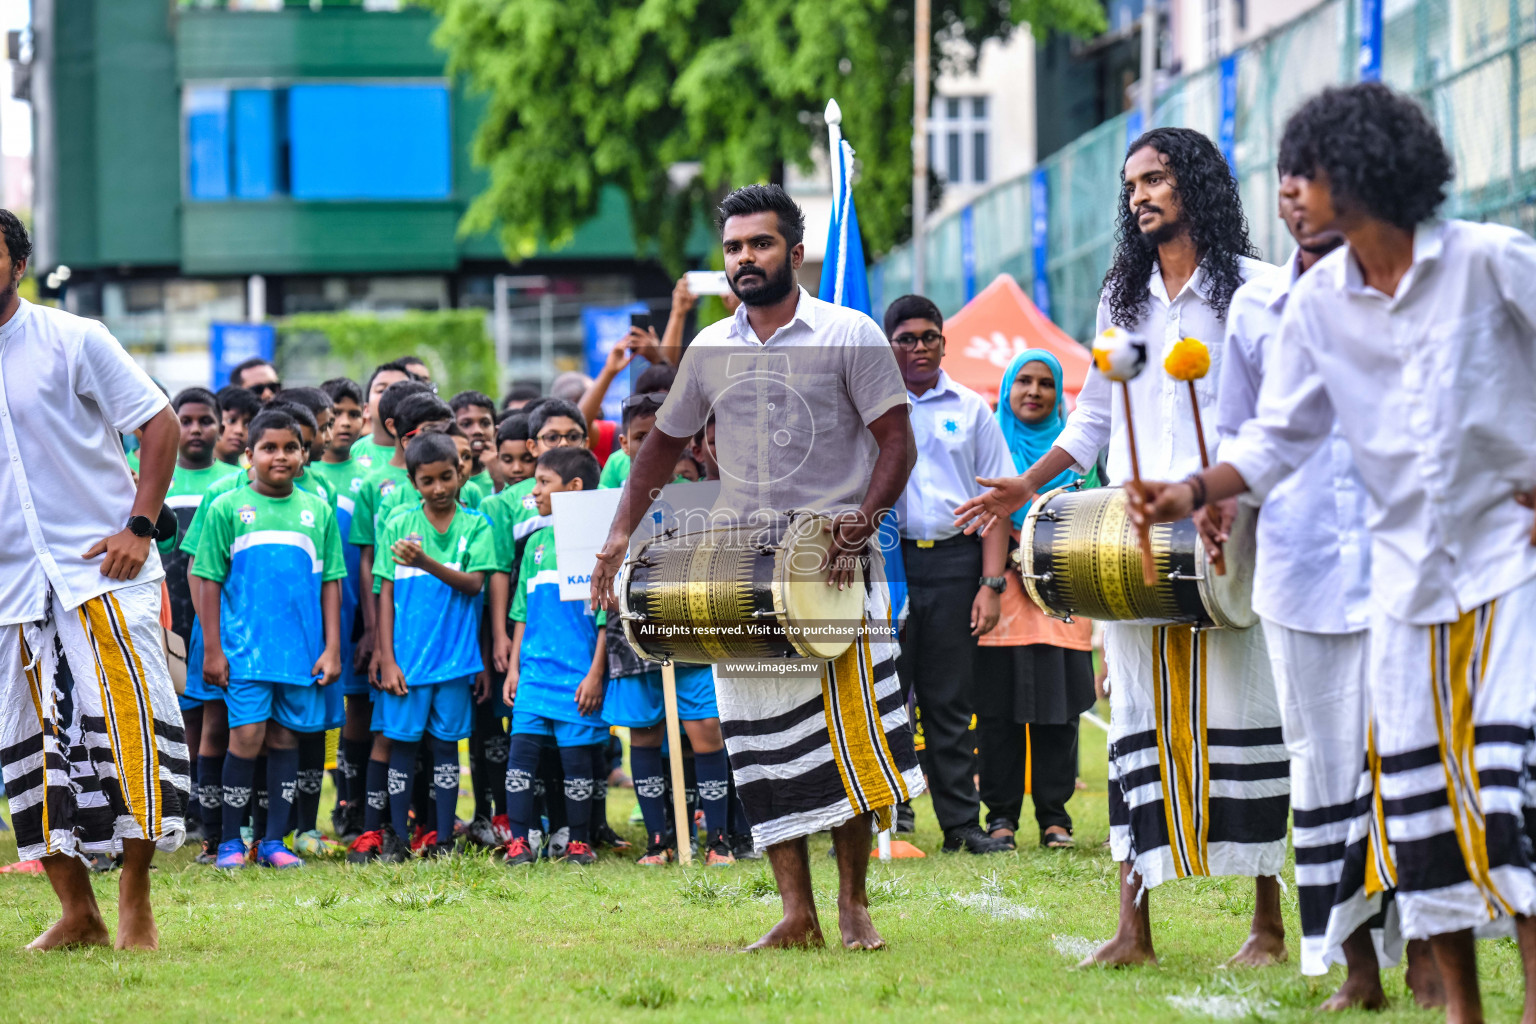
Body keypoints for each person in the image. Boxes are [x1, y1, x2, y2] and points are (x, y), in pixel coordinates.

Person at [1129, 83, 1536, 1024]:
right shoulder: (1311, 307)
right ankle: (1459, 1011)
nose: (1287, 196)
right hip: (1404, 583)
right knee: (1421, 797)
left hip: (1508, 567)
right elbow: (1277, 438)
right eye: (1284, 180)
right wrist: (1194, 491)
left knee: (1508, 781)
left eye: (1304, 176)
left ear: (1366, 170)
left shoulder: (1489, 261)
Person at [956, 127, 1289, 967]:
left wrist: (1231, 495)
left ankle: (1266, 924)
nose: (1139, 195)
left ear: (1199, 185)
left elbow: (1279, 422)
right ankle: (1133, 927)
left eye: (1156, 180)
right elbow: (1096, 419)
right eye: (1131, 183)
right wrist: (1025, 487)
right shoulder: (1122, 298)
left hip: (1228, 534)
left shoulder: (1258, 292)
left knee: (1249, 717)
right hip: (1134, 543)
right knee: (1137, 720)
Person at [592, 184, 923, 951]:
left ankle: (852, 908)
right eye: (735, 247)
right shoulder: (708, 348)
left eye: (761, 244)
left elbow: (898, 443)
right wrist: (618, 534)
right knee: (760, 746)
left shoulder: (851, 333)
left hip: (837, 567)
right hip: (739, 573)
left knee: (849, 741)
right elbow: (661, 448)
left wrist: (859, 526)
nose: (746, 258)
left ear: (793, 252)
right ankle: (795, 913)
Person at [0, 209, 189, 950]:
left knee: (131, 727)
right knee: (27, 745)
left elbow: (159, 422)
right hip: (11, 587)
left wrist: (140, 528)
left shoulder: (73, 337)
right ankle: (78, 912)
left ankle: (135, 893)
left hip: (103, 570)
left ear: (17, 261)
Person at [881, 294, 1012, 854]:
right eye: (905, 338)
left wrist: (990, 584)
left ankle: (960, 826)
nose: (918, 347)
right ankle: (886, 822)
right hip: (889, 565)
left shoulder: (972, 407)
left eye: (928, 336)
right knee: (886, 699)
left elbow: (998, 500)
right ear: (889, 346)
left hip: (958, 566)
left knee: (949, 704)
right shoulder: (872, 407)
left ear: (943, 341)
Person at [194, 407, 345, 869]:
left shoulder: (318, 510)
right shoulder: (226, 508)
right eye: (269, 448)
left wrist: (332, 647)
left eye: (290, 448)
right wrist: (215, 650)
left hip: (299, 655)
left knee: (284, 741)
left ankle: (273, 841)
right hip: (244, 654)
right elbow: (207, 578)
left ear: (304, 455)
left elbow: (331, 582)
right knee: (245, 739)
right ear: (249, 454)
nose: (280, 456)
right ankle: (229, 843)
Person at [598, 393, 734, 866]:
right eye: (641, 437)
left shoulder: (703, 494)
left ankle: (716, 839)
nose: (653, 442)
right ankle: (661, 839)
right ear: (625, 444)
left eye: (662, 433)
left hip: (695, 630)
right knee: (644, 734)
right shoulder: (608, 502)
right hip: (632, 633)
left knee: (707, 730)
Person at [974, 350, 1096, 851]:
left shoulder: (1081, 457)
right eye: (1022, 381)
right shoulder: (991, 448)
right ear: (1006, 390)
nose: (1033, 391)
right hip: (1001, 596)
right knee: (998, 714)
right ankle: (1000, 818)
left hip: (1065, 596)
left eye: (1046, 383)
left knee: (1059, 713)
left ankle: (1055, 819)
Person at [364, 431, 496, 859]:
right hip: (407, 662)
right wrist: (386, 657)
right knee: (401, 746)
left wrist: (424, 562)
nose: (438, 488)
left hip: (456, 663)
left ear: (461, 473)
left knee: (445, 750)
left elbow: (475, 585)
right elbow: (383, 592)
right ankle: (398, 841)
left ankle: (442, 840)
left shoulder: (477, 525)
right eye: (427, 481)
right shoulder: (399, 524)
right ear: (413, 481)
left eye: (446, 477)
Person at [503, 446, 608, 867]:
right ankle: (518, 842)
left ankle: (579, 841)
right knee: (520, 760)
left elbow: (605, 619)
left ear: (574, 488)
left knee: (576, 762)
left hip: (579, 679)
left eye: (543, 482)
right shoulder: (535, 545)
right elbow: (521, 613)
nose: (534, 490)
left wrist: (596, 674)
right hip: (533, 675)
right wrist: (513, 668)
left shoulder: (599, 547)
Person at [161, 388, 244, 843]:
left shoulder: (234, 482)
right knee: (175, 714)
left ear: (221, 425)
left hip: (215, 620)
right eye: (185, 420)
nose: (195, 429)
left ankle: (205, 806)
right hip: (166, 615)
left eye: (204, 420)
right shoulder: (157, 480)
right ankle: (177, 806)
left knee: (209, 715)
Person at [311, 377, 373, 841]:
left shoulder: (369, 478)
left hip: (360, 615)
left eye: (354, 414)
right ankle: (341, 804)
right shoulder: (308, 479)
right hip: (316, 619)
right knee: (330, 716)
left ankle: (358, 806)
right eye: (337, 415)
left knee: (362, 712)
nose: (345, 424)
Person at [351, 359, 422, 470]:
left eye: (400, 389)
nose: (390, 396)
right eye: (381, 390)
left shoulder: (424, 450)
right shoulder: (353, 453)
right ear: (366, 409)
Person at [451, 390, 498, 506]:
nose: (477, 431)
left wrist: (498, 480)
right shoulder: (443, 481)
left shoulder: (507, 477)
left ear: (495, 432)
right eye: (466, 424)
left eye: (485, 423)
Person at [213, 385, 261, 467]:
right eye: (231, 421)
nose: (239, 431)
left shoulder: (250, 476)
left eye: (248, 424)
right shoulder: (191, 470)